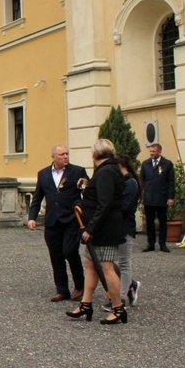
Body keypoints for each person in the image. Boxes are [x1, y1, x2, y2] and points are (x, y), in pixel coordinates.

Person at [66, 139, 127, 325]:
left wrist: (90, 228)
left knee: (107, 267)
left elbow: (105, 203)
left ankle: (118, 308)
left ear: (95, 154)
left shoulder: (107, 172)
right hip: (101, 226)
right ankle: (86, 303)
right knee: (90, 264)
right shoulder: (106, 170)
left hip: (104, 228)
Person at [28, 144, 89, 302]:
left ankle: (80, 286)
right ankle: (62, 290)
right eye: (62, 154)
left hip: (71, 219)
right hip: (52, 221)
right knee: (56, 256)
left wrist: (81, 208)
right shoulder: (43, 174)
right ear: (54, 157)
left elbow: (88, 193)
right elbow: (38, 197)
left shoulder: (78, 172)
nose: (66, 157)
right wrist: (32, 217)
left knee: (70, 251)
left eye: (67, 154)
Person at [102, 155, 142, 312]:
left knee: (124, 262)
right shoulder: (120, 182)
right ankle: (130, 284)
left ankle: (121, 298)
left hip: (125, 227)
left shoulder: (130, 183)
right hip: (115, 227)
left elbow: (125, 208)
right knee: (108, 261)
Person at [139, 144, 175, 252]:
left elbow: (171, 182)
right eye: (150, 152)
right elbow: (141, 181)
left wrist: (170, 197)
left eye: (153, 152)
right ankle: (151, 243)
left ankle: (162, 243)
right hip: (149, 198)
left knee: (162, 222)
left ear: (159, 152)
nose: (151, 154)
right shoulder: (145, 164)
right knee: (149, 223)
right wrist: (140, 196)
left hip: (161, 198)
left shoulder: (167, 164)